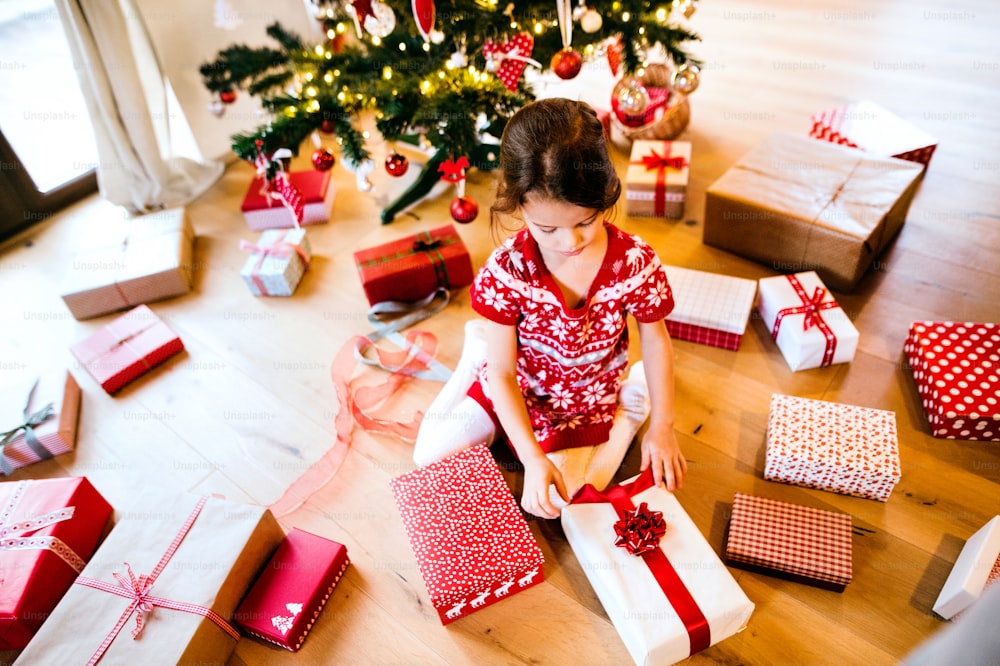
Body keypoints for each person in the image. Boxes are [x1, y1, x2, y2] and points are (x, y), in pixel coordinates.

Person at [413, 97, 686, 519]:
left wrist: (663, 426)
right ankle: (478, 352)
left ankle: (632, 404)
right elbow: (503, 374)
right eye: (547, 229)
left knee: (563, 506)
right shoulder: (508, 268)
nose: (571, 242)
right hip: (517, 384)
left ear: (605, 192)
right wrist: (530, 457)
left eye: (585, 221)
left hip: (584, 396)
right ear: (518, 205)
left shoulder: (635, 261)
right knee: (429, 457)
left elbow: (655, 340)